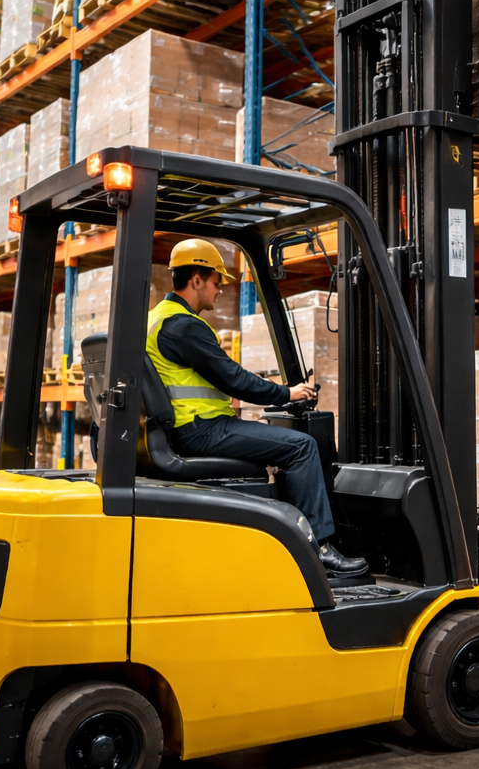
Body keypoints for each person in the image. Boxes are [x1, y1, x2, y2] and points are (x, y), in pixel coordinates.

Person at [146, 238, 368, 578]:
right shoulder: (184, 326)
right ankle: (318, 549)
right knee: (301, 447)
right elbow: (232, 379)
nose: (219, 291)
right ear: (196, 280)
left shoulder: (157, 319)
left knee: (278, 443)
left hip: (186, 426)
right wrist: (287, 393)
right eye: (216, 282)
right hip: (201, 429)